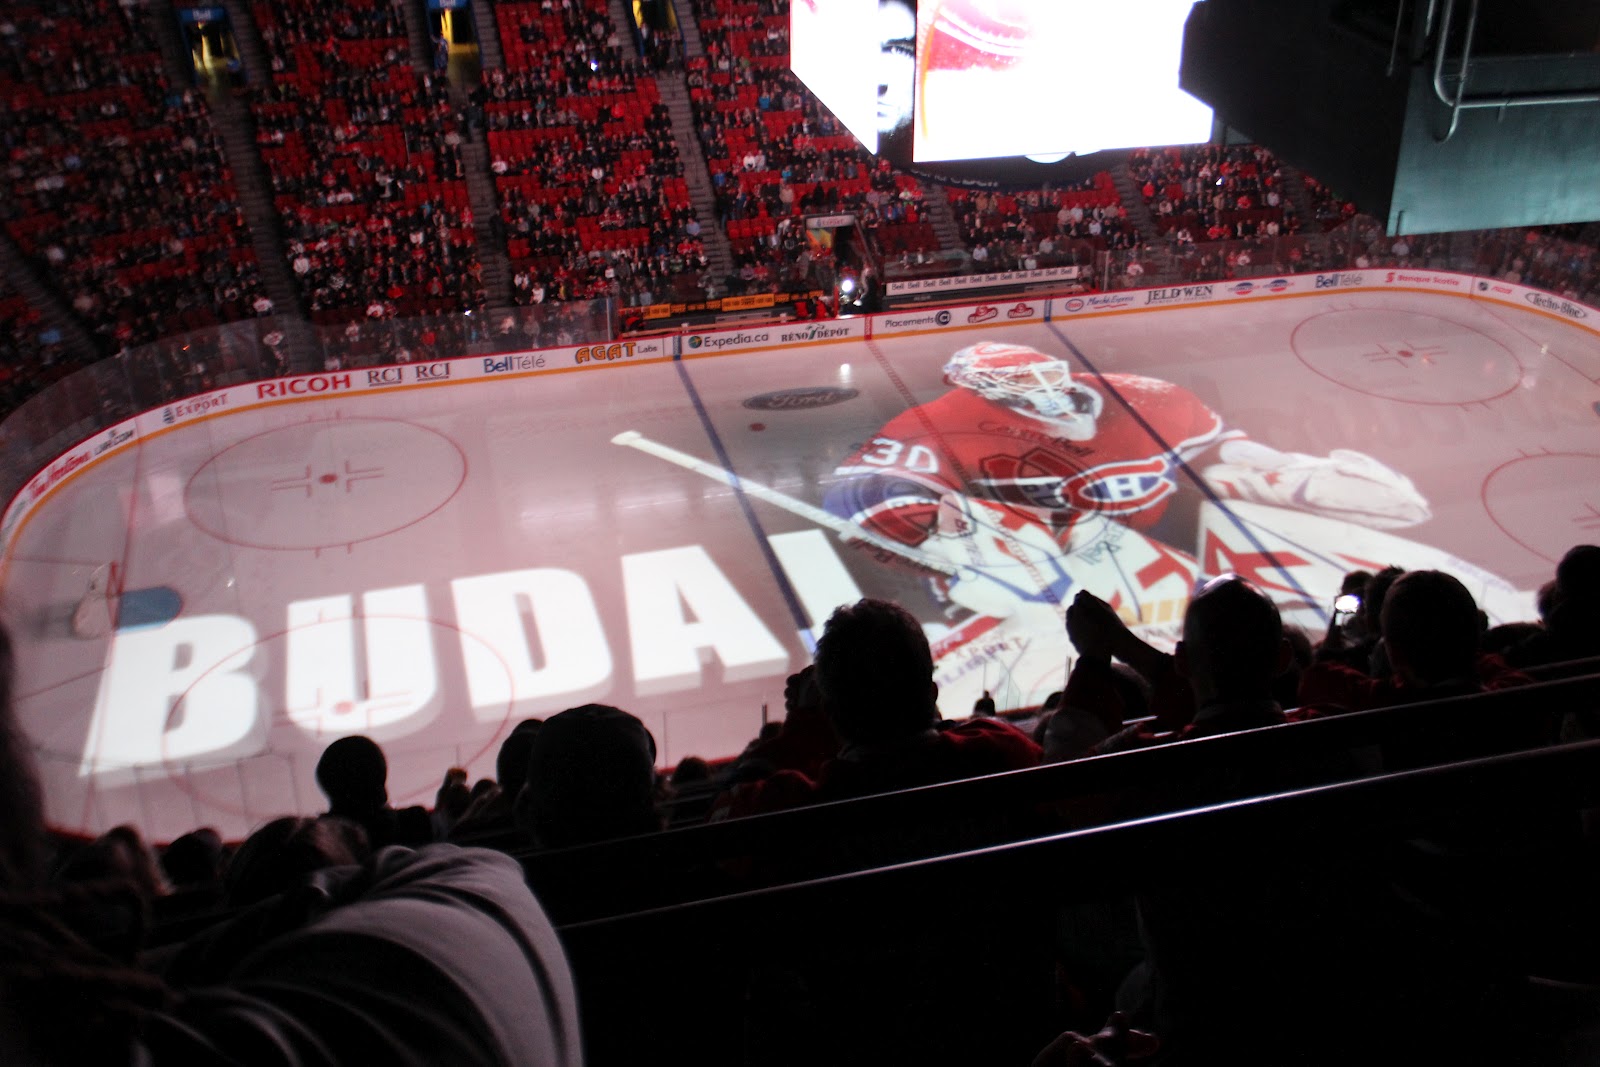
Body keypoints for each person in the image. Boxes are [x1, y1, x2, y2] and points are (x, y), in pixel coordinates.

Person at [822, 341, 1431, 623]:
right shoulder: (946, 422)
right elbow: (861, 491)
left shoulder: (1152, 400)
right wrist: (940, 529)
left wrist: (1289, 476)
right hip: (1038, 577)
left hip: (1152, 561)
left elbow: (1220, 453)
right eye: (1021, 390)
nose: (1046, 395)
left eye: (1049, 380)